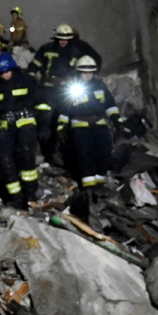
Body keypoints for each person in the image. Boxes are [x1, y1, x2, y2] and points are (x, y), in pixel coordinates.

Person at [56, 55, 123, 217]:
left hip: (99, 125)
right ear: (78, 73)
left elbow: (110, 105)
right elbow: (65, 110)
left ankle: (99, 185)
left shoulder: (100, 86)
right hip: (81, 127)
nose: (86, 75)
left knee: (103, 154)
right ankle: (88, 189)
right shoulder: (73, 88)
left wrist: (117, 122)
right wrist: (61, 127)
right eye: (83, 72)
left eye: (89, 72)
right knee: (85, 156)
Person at [30, 24, 102, 165]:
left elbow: (92, 62)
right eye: (60, 39)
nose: (63, 42)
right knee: (46, 121)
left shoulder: (77, 50)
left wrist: (92, 77)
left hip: (67, 90)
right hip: (48, 91)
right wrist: (32, 83)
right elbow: (33, 67)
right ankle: (46, 153)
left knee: (68, 121)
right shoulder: (46, 49)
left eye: (66, 39)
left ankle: (68, 154)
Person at [0, 52, 50, 209]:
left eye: (7, 71)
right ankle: (15, 196)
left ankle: (30, 194)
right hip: (6, 127)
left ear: (13, 68)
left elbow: (42, 103)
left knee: (26, 157)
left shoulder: (27, 80)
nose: (5, 75)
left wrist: (43, 125)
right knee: (4, 161)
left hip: (25, 124)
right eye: (1, 73)